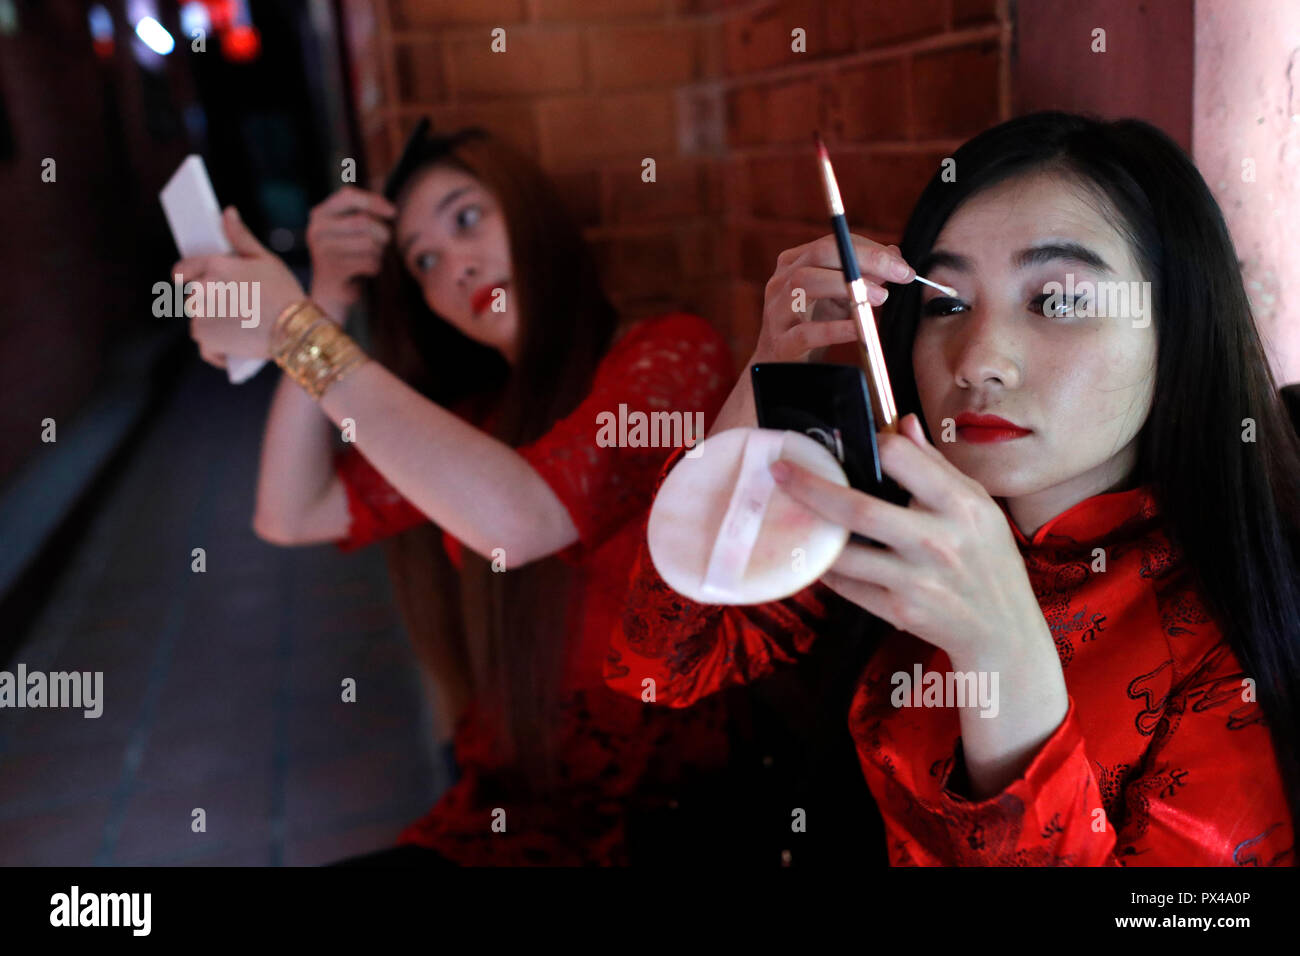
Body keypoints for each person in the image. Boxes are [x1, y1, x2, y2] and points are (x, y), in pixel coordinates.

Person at [607, 111, 1300, 865]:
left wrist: (1002, 650)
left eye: (1058, 301)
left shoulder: (1244, 613)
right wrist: (770, 363)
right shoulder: (890, 519)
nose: (978, 361)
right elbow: (659, 665)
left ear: (1180, 324)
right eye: (947, 304)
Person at [177, 126, 736, 865]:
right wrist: (327, 302)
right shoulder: (471, 424)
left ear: (530, 210)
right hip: (501, 814)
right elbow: (291, 511)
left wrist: (295, 333)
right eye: (425, 261)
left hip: (666, 827)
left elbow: (525, 518)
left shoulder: (671, 354)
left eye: (467, 218)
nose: (456, 266)